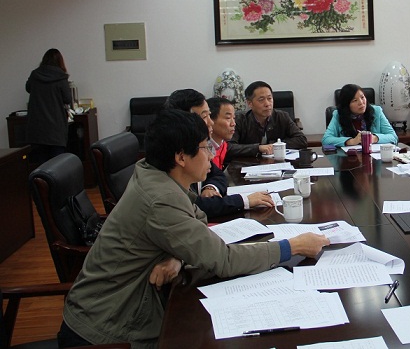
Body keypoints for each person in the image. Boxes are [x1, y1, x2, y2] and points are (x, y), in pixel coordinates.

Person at [58, 109, 329, 347]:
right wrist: (292, 246)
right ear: (181, 157)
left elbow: (197, 218)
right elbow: (223, 259)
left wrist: (177, 256)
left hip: (129, 307)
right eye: (205, 147)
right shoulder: (161, 198)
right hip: (107, 330)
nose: (211, 155)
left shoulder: (154, 173)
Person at [166, 89, 273, 216]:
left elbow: (218, 175)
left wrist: (210, 187)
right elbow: (194, 206)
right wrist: (244, 200)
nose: (210, 122)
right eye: (204, 117)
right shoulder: (177, 154)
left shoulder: (198, 146)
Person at [227, 81, 307, 158]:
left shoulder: (282, 116)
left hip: (276, 163)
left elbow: (301, 140)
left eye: (269, 98)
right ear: (250, 103)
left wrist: (275, 145)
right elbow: (229, 147)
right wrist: (258, 148)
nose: (267, 104)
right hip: (247, 163)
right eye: (261, 100)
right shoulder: (239, 120)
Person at [25, 48, 72, 163]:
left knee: (41, 164)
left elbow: (28, 88)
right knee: (57, 164)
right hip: (56, 128)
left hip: (37, 127)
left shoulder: (35, 74)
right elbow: (67, 99)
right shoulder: (61, 77)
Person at [322, 84, 398, 147]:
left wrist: (374, 138)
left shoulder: (376, 111)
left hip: (374, 157)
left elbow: (393, 136)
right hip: (348, 158)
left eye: (362, 97)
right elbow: (326, 140)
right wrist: (351, 141)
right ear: (347, 105)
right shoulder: (338, 115)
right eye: (355, 100)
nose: (361, 102)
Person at [207, 96, 235, 168]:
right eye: (228, 118)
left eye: (234, 118)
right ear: (210, 120)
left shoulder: (223, 145)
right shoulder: (204, 150)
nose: (233, 123)